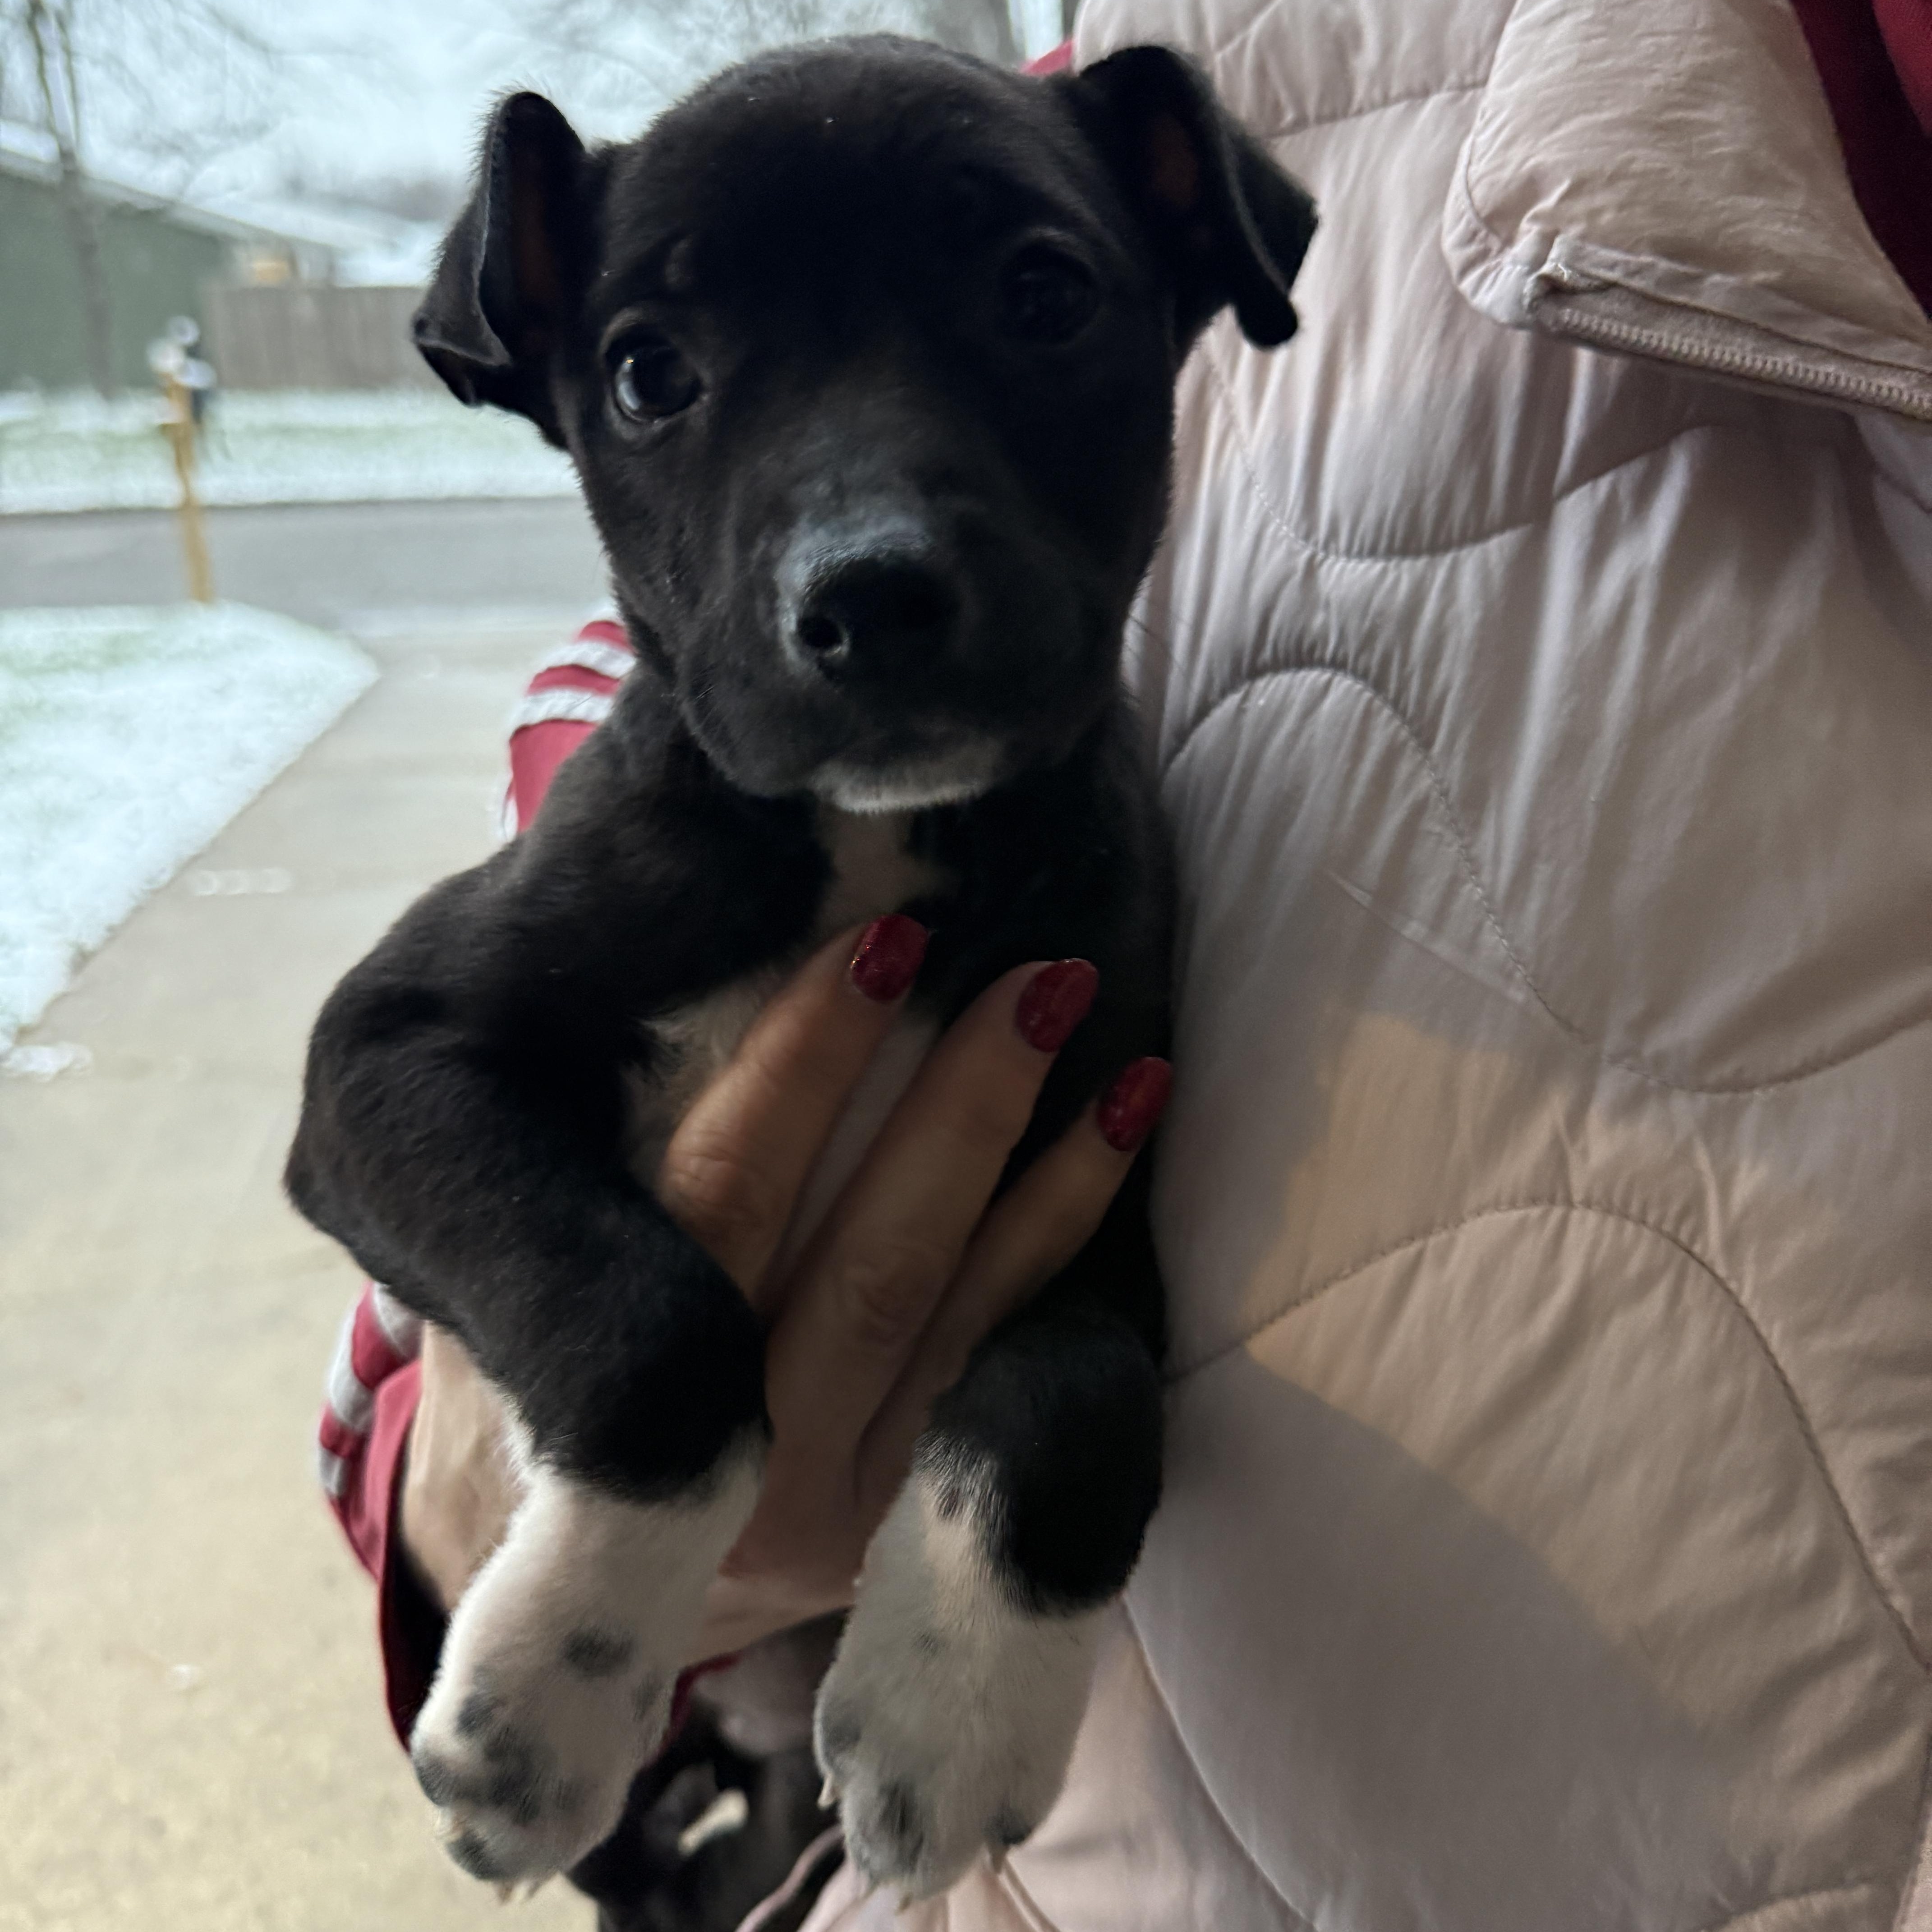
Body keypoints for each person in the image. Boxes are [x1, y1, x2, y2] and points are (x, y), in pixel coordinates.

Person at [327, 0, 1932, 1922]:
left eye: (1031, 298)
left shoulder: (1102, 865)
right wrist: (521, 1455)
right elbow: (391, 1093)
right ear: (553, 368)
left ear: (1193, 273)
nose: (866, 529)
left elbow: (1088, 1290)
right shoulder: (636, 827)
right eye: (661, 369)